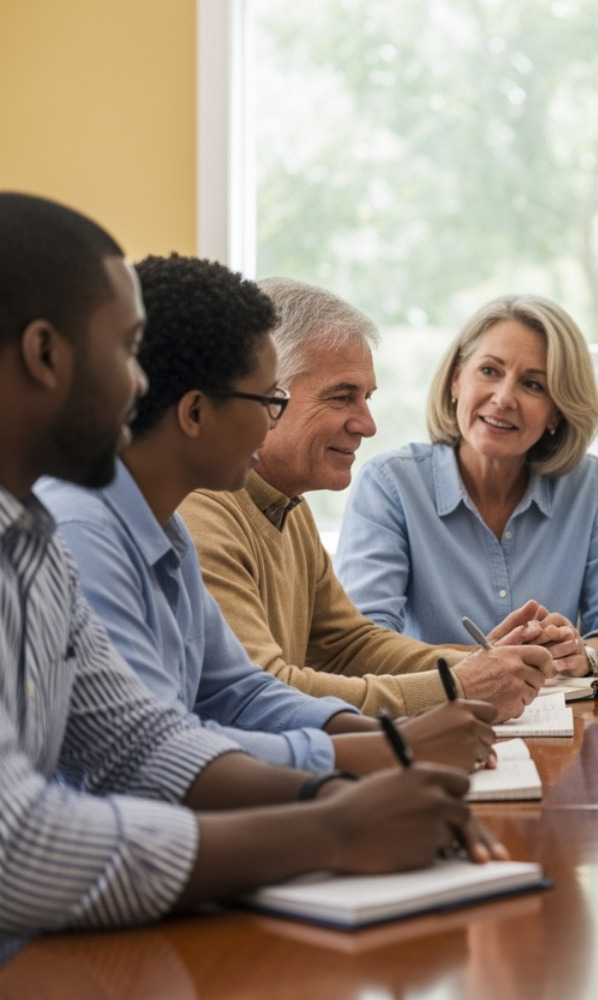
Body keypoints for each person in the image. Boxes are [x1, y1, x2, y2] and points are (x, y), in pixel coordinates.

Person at [0, 192, 501, 947]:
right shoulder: (76, 524)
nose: (144, 385)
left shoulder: (34, 537)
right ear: (46, 355)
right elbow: (21, 850)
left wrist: (338, 788)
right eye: (127, 350)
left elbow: (143, 741)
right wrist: (330, 828)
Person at [37, 254, 496, 774]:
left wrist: (397, 739)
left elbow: (240, 691)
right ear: (194, 412)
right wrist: (390, 753)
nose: (267, 424)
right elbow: (154, 755)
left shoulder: (167, 527)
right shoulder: (94, 528)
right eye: (265, 402)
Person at [178, 279, 555, 720]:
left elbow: (348, 645)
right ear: (263, 392)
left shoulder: (287, 506)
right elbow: (264, 691)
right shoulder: (200, 508)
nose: (367, 424)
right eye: (342, 397)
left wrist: (485, 666)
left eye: (367, 398)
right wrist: (459, 685)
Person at [335, 294, 598, 678]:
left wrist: (584, 654)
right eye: (490, 371)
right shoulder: (390, 484)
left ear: (556, 413)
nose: (503, 398)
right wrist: (492, 663)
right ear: (456, 379)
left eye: (532, 385)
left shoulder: (589, 486)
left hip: (560, 721)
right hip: (434, 719)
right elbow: (365, 641)